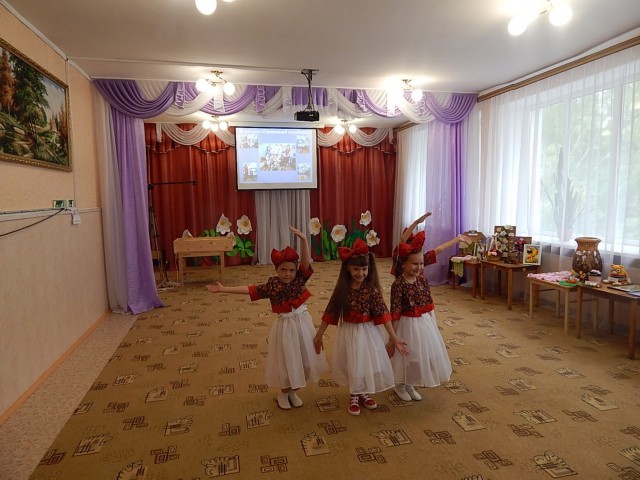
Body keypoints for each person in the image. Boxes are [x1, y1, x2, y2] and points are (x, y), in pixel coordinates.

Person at [206, 226, 327, 410]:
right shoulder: (272, 285)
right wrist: (224, 289)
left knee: (305, 359)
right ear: (277, 270)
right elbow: (250, 290)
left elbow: (305, 261)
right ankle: (284, 393)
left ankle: (293, 391)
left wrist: (303, 240)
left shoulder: (299, 279)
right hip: (286, 327)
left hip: (303, 323)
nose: (288, 274)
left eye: (291, 270)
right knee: (288, 360)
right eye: (283, 270)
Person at [313, 238, 409, 416]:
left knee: (365, 362)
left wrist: (394, 338)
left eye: (364, 269)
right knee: (353, 362)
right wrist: (319, 335)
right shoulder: (342, 290)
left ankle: (362, 391)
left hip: (368, 332)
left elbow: (383, 314)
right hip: (349, 332)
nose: (361, 273)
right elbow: (330, 313)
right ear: (348, 268)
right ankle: (354, 394)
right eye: (356, 269)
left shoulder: (371, 289)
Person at [388, 215, 472, 402]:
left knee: (419, 353)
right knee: (406, 353)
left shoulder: (422, 272)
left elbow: (439, 249)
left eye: (421, 264)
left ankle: (410, 383)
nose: (419, 266)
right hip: (406, 321)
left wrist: (457, 239)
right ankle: (400, 384)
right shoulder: (399, 268)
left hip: (422, 320)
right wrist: (416, 223)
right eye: (415, 263)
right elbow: (402, 240)